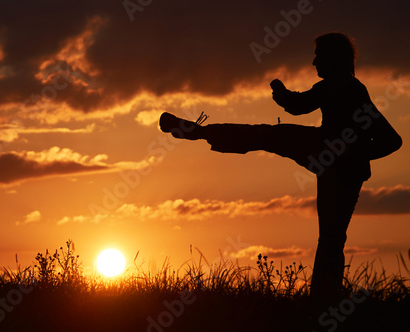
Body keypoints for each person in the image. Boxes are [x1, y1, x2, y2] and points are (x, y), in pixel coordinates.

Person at [159, 32, 402, 304]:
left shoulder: (349, 89)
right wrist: (283, 95)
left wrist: (349, 154)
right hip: (327, 154)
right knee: (330, 234)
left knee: (331, 236)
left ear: (333, 59)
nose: (313, 63)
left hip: (335, 162)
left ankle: (324, 302)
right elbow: (299, 106)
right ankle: (200, 132)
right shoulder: (342, 87)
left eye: (319, 56)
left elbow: (391, 141)